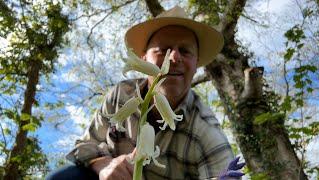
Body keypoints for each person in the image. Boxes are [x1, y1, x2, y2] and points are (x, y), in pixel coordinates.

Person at [47, 6, 238, 180]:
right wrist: (103, 164)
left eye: (186, 51)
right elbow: (85, 145)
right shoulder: (121, 94)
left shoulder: (205, 128)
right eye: (163, 49)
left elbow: (226, 174)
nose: (173, 58)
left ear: (197, 64)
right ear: (143, 58)